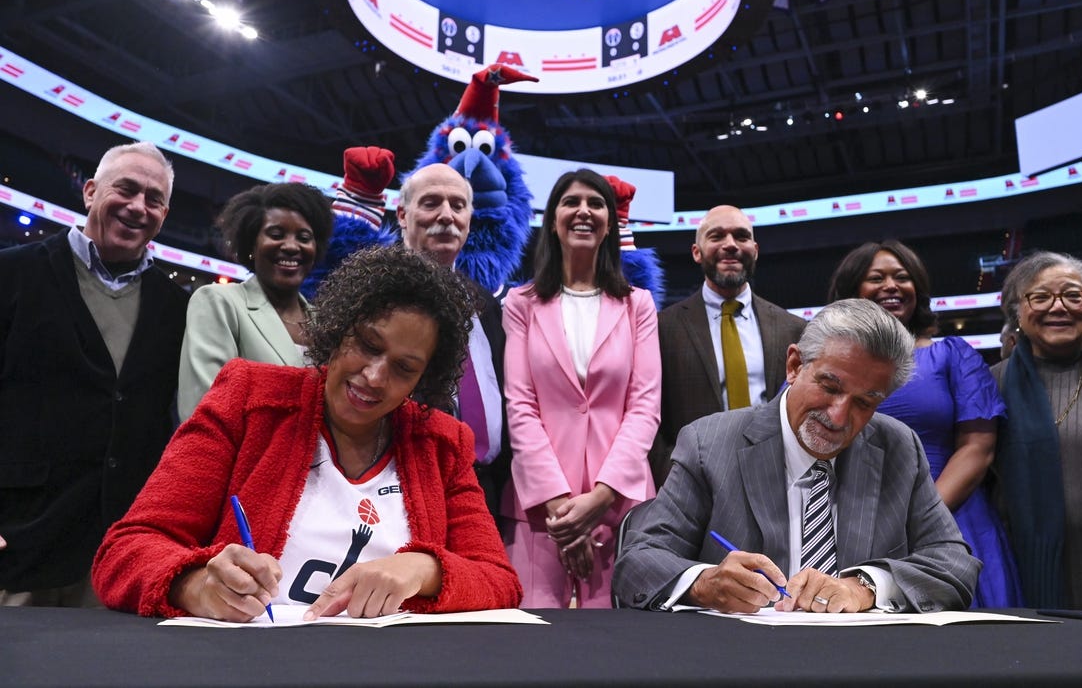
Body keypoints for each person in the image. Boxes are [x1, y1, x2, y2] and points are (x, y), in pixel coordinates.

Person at [92, 245, 521, 620]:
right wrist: (195, 585)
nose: (373, 376)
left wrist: (424, 570)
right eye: (368, 345)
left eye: (403, 368)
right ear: (337, 329)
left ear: (424, 379)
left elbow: (499, 581)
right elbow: (126, 551)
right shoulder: (248, 399)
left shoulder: (443, 442)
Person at [613, 298, 979, 614]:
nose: (838, 416)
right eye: (829, 386)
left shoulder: (899, 447)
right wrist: (704, 582)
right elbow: (638, 561)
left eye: (865, 402)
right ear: (794, 365)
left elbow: (955, 564)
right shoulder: (710, 443)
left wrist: (865, 587)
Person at [0, 141, 188, 607]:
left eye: (154, 199)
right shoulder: (12, 273)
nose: (138, 207)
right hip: (20, 542)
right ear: (89, 192)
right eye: (125, 189)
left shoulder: (177, 307)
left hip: (120, 556)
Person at [827, 240, 1021, 608]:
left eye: (903, 277)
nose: (892, 286)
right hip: (851, 519)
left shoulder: (953, 355)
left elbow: (977, 448)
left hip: (953, 520)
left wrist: (920, 520)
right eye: (877, 278)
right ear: (853, 291)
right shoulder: (824, 362)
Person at [502, 168, 661, 608]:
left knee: (620, 652)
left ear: (610, 222)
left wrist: (600, 498)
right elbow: (520, 407)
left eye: (596, 203)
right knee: (534, 649)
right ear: (553, 219)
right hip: (540, 510)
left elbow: (644, 407)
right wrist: (561, 509)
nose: (583, 211)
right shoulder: (521, 304)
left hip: (620, 505)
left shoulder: (638, 305)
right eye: (571, 202)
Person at [651, 204, 806, 486]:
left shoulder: (793, 328)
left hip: (778, 482)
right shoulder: (662, 328)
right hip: (694, 487)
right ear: (696, 252)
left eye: (741, 236)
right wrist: (676, 477)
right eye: (717, 236)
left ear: (755, 249)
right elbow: (651, 418)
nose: (730, 245)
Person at [397, 163, 510, 523]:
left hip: (482, 489)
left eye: (458, 205)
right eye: (431, 203)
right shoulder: (374, 293)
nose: (446, 215)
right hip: (403, 484)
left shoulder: (484, 302)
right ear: (403, 214)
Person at [991, 251, 1082, 609]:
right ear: (1017, 314)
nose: (1058, 307)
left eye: (1073, 295)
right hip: (1030, 571)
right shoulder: (992, 385)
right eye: (1040, 297)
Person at [177, 182, 334, 420]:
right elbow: (205, 409)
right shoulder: (219, 302)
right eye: (276, 234)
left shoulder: (327, 325)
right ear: (251, 244)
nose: (292, 246)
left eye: (304, 237)